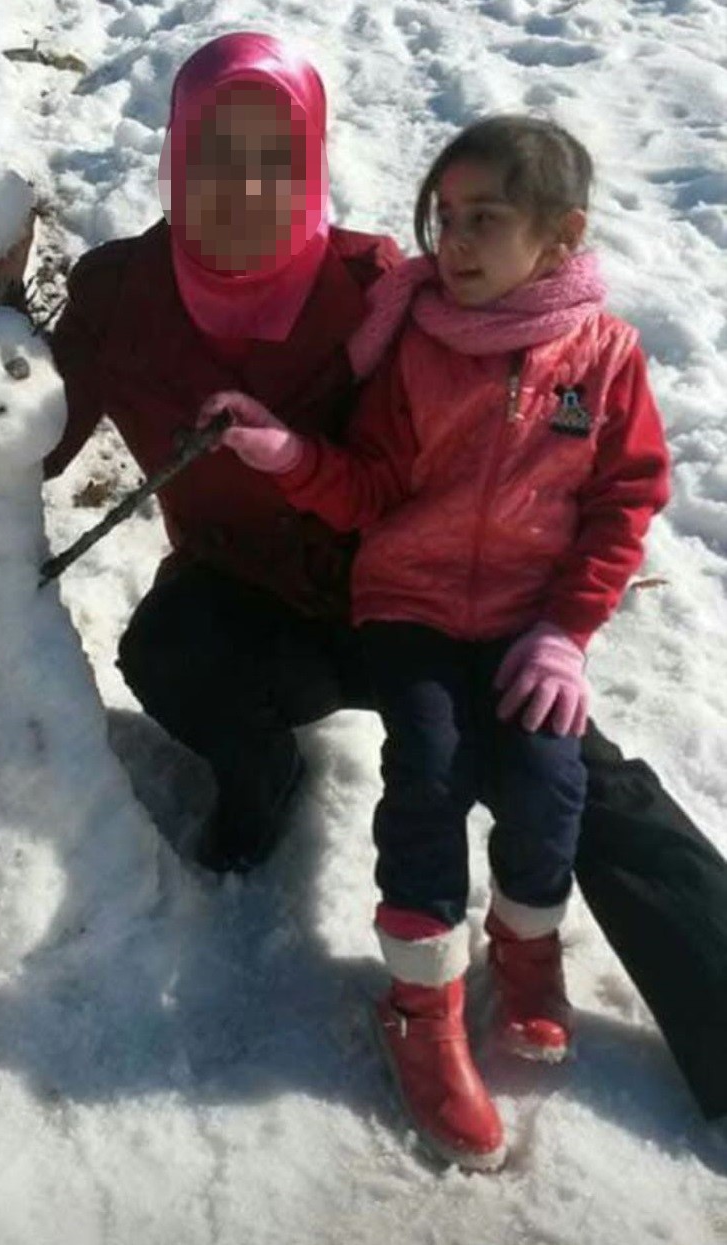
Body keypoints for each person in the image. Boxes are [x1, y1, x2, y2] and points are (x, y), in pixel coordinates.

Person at [0, 32, 727, 1128]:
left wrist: (552, 618)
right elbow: (26, 448)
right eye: (215, 153)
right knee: (169, 651)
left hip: (418, 604)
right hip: (249, 604)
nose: (245, 187)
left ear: (311, 162)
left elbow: (543, 394)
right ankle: (261, 776)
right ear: (173, 155)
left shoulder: (376, 288)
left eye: (276, 157)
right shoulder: (121, 293)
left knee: (567, 771)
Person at [199, 115, 670, 1167]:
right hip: (408, 606)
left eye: (483, 220)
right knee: (429, 774)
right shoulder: (416, 347)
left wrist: (566, 631)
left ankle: (526, 947)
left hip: (526, 620)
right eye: (444, 217)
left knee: (548, 779)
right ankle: (420, 1005)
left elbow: (624, 500)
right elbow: (370, 486)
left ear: (561, 236)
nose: (452, 242)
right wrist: (289, 457)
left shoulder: (603, 357)